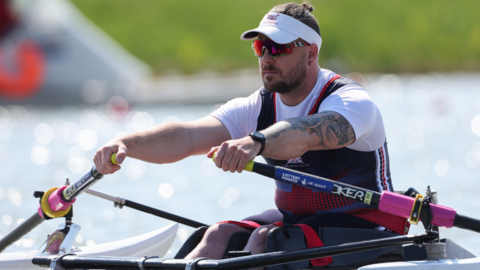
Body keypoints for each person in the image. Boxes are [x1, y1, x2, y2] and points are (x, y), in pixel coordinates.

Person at [94, 2, 402, 267]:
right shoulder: (257, 106)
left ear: (311, 53)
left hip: (368, 229)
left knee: (266, 240)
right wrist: (125, 143)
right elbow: (187, 137)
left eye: (279, 47)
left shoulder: (351, 101)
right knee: (217, 236)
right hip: (301, 225)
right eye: (260, 47)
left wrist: (257, 142)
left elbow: (307, 134)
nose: (267, 57)